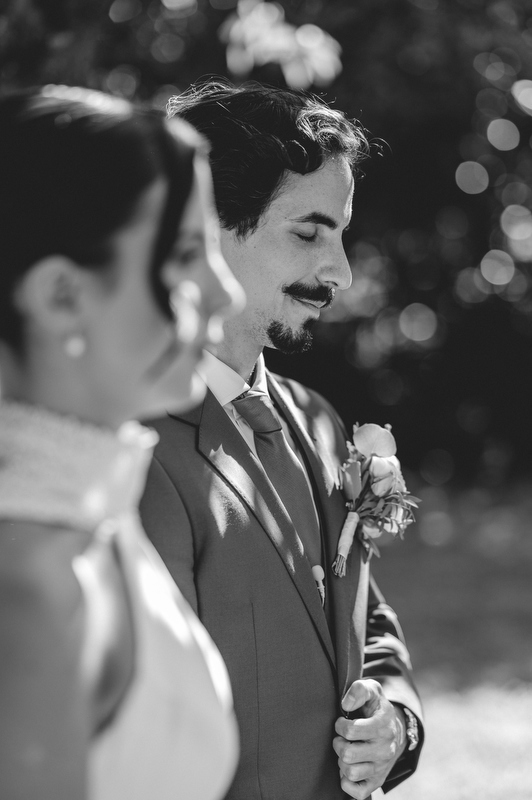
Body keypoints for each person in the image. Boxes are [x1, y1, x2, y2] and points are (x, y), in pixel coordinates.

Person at [140, 79, 424, 800]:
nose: (341, 272)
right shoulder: (137, 450)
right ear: (207, 227)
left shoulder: (319, 420)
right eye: (308, 233)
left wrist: (397, 723)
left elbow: (370, 622)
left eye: (341, 233)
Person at [0, 85, 245, 799]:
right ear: (60, 295)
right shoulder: (29, 590)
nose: (224, 292)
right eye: (185, 254)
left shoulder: (89, 512)